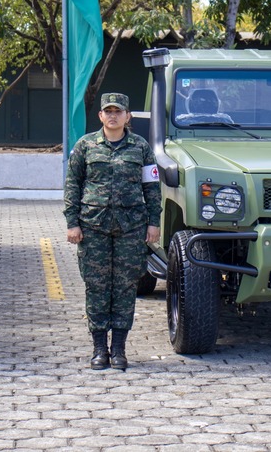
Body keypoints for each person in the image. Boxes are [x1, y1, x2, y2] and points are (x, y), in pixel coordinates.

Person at [64, 93, 162, 370]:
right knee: (96, 287)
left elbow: (152, 189)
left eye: (118, 111)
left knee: (125, 287)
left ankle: (118, 349)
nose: (113, 116)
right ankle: (98, 349)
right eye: (108, 111)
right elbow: (73, 185)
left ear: (128, 116)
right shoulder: (85, 146)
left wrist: (154, 223)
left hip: (130, 229)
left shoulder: (140, 147)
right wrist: (72, 223)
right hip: (93, 228)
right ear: (101, 116)